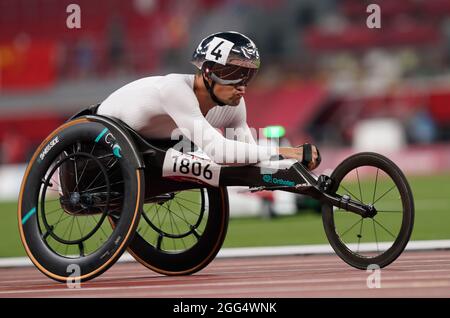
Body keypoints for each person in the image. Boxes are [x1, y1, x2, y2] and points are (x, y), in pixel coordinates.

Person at [97, 31, 320, 169]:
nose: (241, 85)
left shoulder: (235, 105)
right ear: (207, 72)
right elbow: (219, 151)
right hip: (102, 130)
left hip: (150, 140)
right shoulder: (175, 89)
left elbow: (249, 157)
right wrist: (288, 152)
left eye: (248, 75)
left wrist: (294, 165)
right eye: (232, 75)